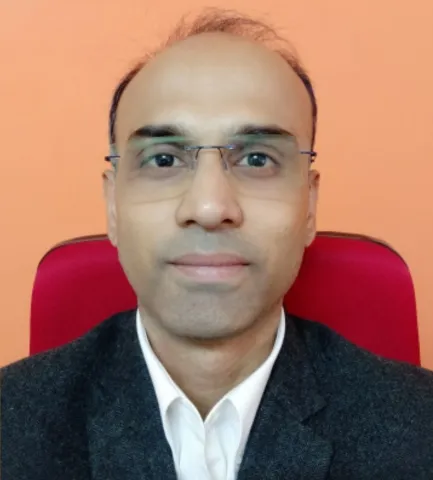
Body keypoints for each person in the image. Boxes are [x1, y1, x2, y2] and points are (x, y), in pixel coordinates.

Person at [1, 8, 433, 480]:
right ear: (113, 206)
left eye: (257, 159)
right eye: (164, 160)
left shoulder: (420, 428)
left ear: (309, 205)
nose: (209, 207)